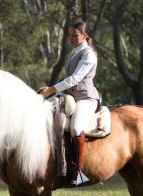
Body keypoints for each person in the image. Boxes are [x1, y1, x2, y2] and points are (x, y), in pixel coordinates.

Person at [39, 21, 99, 185]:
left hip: (86, 98)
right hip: (70, 97)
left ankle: (77, 171)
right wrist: (52, 89)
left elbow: (76, 79)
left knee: (75, 127)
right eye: (70, 35)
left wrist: (52, 89)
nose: (71, 39)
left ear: (84, 35)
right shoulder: (75, 52)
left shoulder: (89, 54)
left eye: (75, 35)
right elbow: (68, 78)